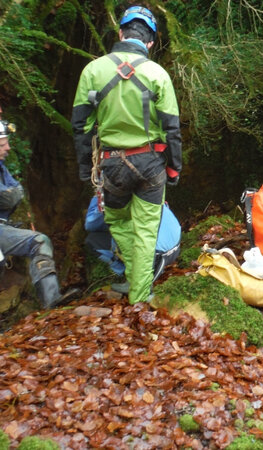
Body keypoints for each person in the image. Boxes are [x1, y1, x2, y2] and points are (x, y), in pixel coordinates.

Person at [72, 6, 182, 304]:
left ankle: (136, 281)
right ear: (150, 42)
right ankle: (140, 295)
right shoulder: (157, 73)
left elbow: (81, 126)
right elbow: (172, 128)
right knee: (146, 230)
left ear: (120, 33)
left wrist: (85, 169)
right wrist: (174, 169)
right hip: (150, 164)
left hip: (112, 165)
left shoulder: (93, 71)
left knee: (118, 222)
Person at [0, 118, 79, 337]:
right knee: (38, 241)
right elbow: (7, 198)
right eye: (3, 144)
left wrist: (13, 192)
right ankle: (51, 300)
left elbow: (15, 191)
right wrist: (13, 192)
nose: (8, 148)